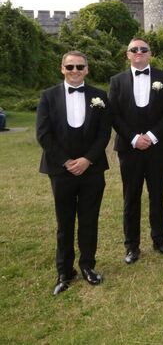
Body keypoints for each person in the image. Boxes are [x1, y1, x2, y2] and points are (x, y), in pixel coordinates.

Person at [36, 51, 111, 294]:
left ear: (87, 69)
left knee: (89, 220)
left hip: (92, 169)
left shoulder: (99, 96)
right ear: (62, 69)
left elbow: (104, 133)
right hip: (61, 170)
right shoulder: (48, 97)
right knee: (64, 222)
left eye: (80, 67)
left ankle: (88, 266)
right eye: (70, 67)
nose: (75, 71)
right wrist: (67, 162)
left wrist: (87, 159)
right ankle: (64, 272)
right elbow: (44, 134)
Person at [109, 38, 163, 264]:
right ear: (127, 54)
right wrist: (133, 138)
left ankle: (159, 240)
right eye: (134, 49)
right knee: (131, 196)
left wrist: (151, 136)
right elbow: (114, 115)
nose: (139, 52)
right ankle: (132, 246)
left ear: (150, 53)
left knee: (157, 194)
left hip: (158, 146)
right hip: (129, 149)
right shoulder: (116, 81)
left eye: (143, 49)